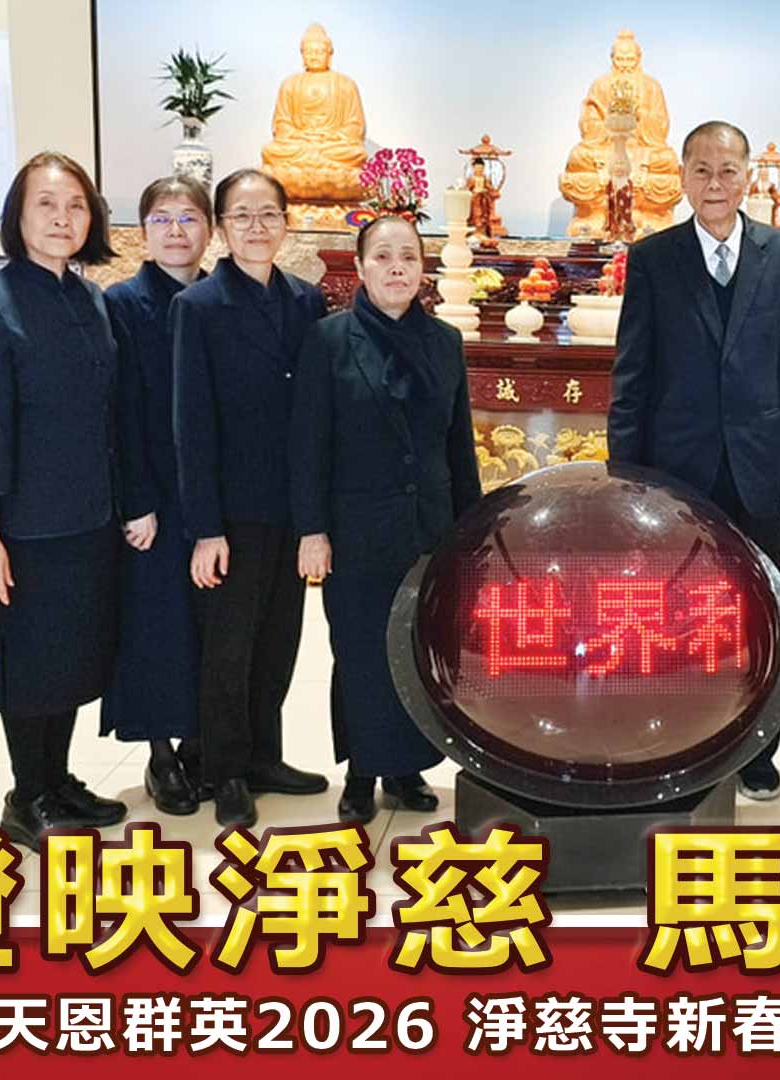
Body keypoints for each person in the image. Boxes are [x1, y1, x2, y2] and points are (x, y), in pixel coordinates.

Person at [607, 119, 780, 802]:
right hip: (674, 475)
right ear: (682, 177)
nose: (715, 183)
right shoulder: (653, 258)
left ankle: (756, 751)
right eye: (700, 170)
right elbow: (632, 375)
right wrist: (626, 478)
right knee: (673, 616)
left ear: (748, 176)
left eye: (728, 170)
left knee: (758, 615)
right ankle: (680, 744)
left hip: (761, 469)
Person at [0, 151, 133, 848]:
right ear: (17, 217)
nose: (63, 219)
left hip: (89, 516)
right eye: (46, 205)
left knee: (70, 659)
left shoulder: (89, 298)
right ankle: (26, 794)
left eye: (76, 206)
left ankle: (57, 780)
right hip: (23, 527)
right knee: (28, 667)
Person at [291, 213, 479, 825]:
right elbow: (308, 443)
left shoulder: (444, 342)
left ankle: (405, 769)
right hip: (356, 530)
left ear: (423, 270)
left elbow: (458, 445)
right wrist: (312, 530)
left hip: (429, 528)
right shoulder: (328, 340)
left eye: (408, 257)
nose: (396, 268)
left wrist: (471, 530)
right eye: (383, 256)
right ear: (361, 267)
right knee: (360, 651)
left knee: (419, 649)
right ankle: (361, 771)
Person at [173, 167, 330, 827]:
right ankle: (225, 770)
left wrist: (315, 517)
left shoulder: (306, 301)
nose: (256, 227)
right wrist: (205, 528)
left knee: (278, 639)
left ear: (286, 223)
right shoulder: (199, 307)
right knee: (228, 647)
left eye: (268, 214)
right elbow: (191, 425)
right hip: (232, 512)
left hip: (291, 506)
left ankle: (266, 754)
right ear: (222, 228)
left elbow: (316, 412)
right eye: (241, 215)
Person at [99, 175, 214, 817]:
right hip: (155, 495)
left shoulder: (219, 298)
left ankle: (201, 740)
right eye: (162, 219)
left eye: (188, 218)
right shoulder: (123, 303)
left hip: (211, 492)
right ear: (142, 232)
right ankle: (160, 751)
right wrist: (136, 501)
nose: (176, 231)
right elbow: (121, 410)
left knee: (208, 622)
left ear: (209, 230)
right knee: (157, 623)